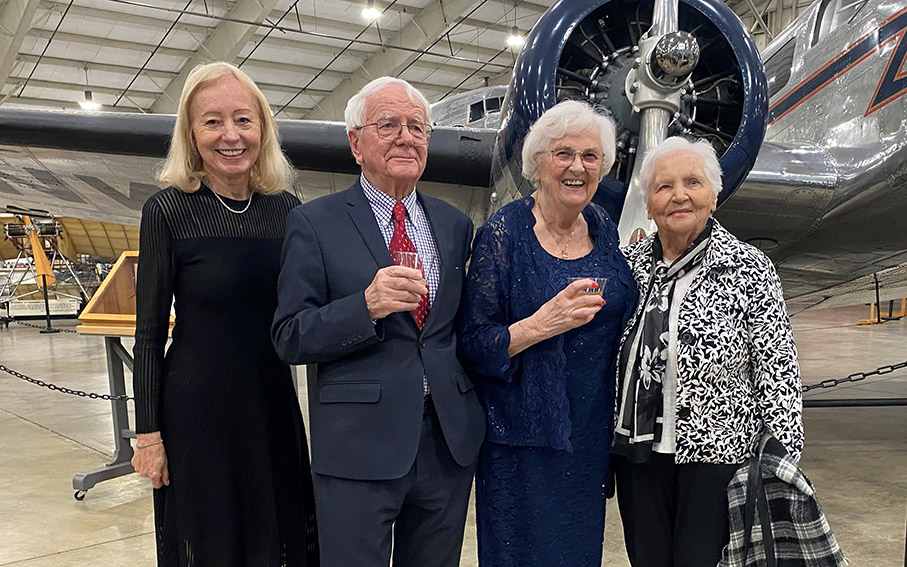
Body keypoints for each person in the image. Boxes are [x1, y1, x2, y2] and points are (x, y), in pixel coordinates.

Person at [271, 76, 486, 567]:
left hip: (445, 445)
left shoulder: (454, 225)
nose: (406, 137)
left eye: (417, 127)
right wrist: (364, 306)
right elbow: (289, 335)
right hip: (358, 446)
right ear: (356, 143)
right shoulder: (314, 222)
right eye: (388, 125)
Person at [131, 61, 318, 566]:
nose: (230, 135)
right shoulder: (167, 211)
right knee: (212, 538)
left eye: (243, 120)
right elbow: (149, 334)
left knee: (277, 535)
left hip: (271, 403)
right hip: (198, 412)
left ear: (263, 130)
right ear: (191, 134)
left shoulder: (287, 209)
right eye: (212, 121)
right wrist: (147, 436)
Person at [458, 100, 638, 566]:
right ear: (538, 164)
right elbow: (474, 344)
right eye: (564, 154)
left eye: (590, 155)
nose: (578, 167)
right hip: (522, 441)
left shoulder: (603, 228)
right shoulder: (503, 234)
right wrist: (542, 324)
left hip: (588, 439)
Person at [612, 136, 803, 566]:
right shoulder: (629, 267)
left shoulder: (748, 267)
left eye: (692, 183)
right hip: (639, 457)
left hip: (719, 456)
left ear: (713, 197)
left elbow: (779, 371)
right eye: (664, 186)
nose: (678, 195)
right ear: (648, 205)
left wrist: (780, 463)